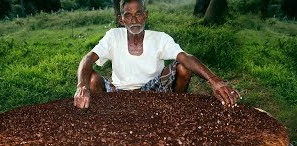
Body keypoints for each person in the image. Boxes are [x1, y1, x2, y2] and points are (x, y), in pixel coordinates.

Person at [74, 0, 241, 109]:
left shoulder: (160, 37)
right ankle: (102, 117)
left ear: (145, 16)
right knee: (92, 79)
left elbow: (185, 57)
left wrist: (214, 80)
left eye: (138, 13)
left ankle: (176, 109)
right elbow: (88, 59)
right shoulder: (113, 35)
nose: (134, 20)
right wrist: (81, 86)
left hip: (153, 89)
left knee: (183, 68)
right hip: (119, 92)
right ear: (121, 19)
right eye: (128, 15)